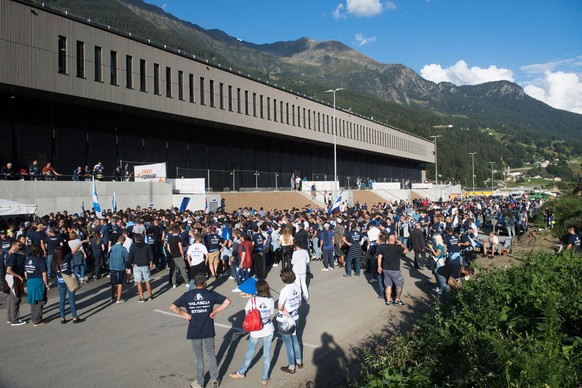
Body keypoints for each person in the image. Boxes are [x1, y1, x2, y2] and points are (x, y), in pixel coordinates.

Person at [170, 273, 231, 388]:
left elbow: (173, 307)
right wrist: (215, 312)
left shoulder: (187, 295)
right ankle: (214, 380)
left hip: (194, 330)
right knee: (211, 355)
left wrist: (186, 314)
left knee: (198, 357)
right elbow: (227, 301)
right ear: (205, 283)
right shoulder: (210, 294)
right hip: (208, 330)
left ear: (194, 284)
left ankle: (199, 382)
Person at [229, 279, 275, 385]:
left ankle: (241, 372)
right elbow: (271, 313)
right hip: (268, 329)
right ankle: (264, 378)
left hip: (255, 331)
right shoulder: (271, 300)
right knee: (267, 354)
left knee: (250, 352)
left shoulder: (252, 300)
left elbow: (247, 315)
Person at [277, 268, 303, 374]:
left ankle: (291, 367)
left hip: (285, 321)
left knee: (288, 344)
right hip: (295, 317)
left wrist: (283, 310)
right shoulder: (297, 286)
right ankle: (299, 361)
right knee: (295, 340)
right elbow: (300, 302)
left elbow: (279, 306)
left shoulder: (284, 290)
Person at [51, 246, 84, 324]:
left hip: (60, 281)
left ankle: (62, 318)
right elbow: (74, 250)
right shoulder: (66, 258)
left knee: (62, 300)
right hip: (69, 281)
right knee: (71, 300)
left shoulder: (54, 262)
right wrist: (81, 243)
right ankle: (74, 317)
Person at [377, 235, 409, 306]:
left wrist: (379, 266)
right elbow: (406, 251)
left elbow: (379, 257)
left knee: (388, 285)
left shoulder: (383, 248)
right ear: (395, 240)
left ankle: (388, 300)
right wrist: (401, 244)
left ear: (388, 240)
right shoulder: (397, 248)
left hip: (385, 269)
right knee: (399, 284)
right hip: (395, 269)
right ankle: (397, 300)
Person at [25, 244, 50, 326]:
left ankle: (34, 317)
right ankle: (37, 320)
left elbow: (25, 272)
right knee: (40, 301)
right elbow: (44, 274)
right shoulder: (40, 260)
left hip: (30, 281)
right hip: (38, 281)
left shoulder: (27, 260)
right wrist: (46, 284)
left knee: (33, 301)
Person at [4, 240, 26, 326]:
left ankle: (10, 318)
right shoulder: (12, 256)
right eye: (19, 245)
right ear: (14, 245)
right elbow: (9, 270)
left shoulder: (8, 254)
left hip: (8, 278)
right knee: (16, 299)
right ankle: (14, 320)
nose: (20, 247)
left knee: (10, 298)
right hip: (12, 278)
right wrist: (19, 276)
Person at [128, 233, 154, 302]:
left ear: (135, 239)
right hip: (145, 264)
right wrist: (151, 262)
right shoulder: (147, 246)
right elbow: (150, 255)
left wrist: (130, 265)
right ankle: (150, 295)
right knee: (147, 280)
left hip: (136, 265)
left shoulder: (133, 247)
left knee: (138, 282)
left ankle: (142, 297)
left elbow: (130, 257)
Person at [109, 235, 128, 303]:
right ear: (123, 241)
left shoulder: (112, 247)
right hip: (120, 267)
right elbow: (127, 258)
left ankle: (113, 297)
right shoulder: (123, 248)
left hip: (112, 266)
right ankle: (118, 299)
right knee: (120, 283)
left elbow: (108, 256)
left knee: (113, 283)